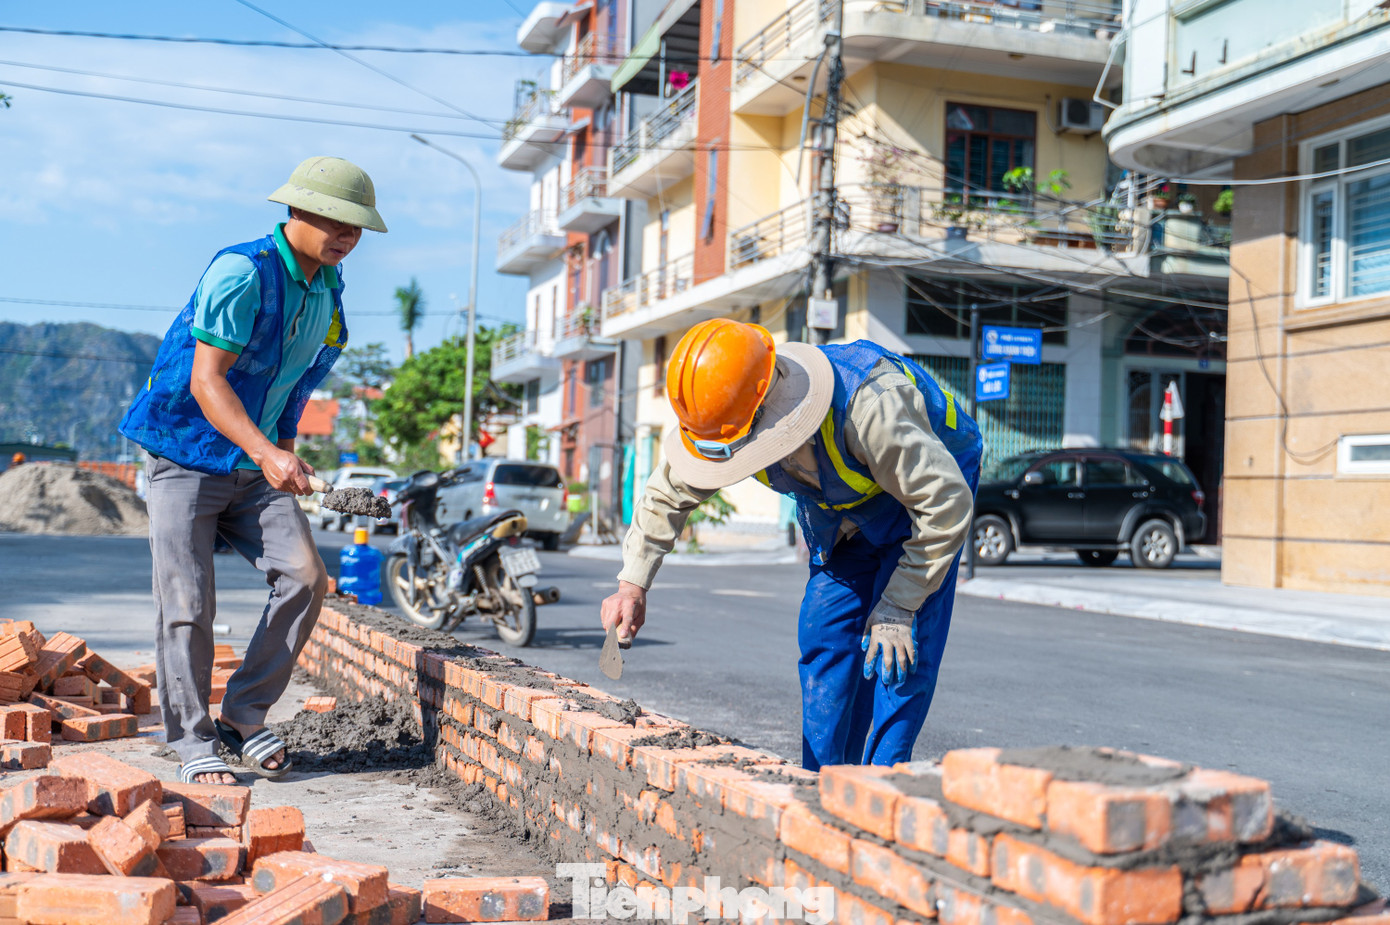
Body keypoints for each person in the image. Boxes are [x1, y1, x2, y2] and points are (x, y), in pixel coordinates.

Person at [600, 319, 982, 770]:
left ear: (767, 411)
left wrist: (899, 605)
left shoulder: (869, 407)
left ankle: (881, 788)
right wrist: (632, 585)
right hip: (843, 516)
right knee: (825, 637)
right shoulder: (722, 418)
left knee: (897, 655)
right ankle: (820, 784)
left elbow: (945, 504)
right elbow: (667, 494)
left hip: (927, 497)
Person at [119, 156, 387, 785]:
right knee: (186, 601)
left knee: (304, 577)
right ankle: (189, 738)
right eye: (336, 222)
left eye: (356, 228)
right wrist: (269, 454)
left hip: (254, 461)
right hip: (184, 453)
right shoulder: (242, 273)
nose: (346, 237)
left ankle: (242, 715)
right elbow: (207, 381)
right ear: (296, 211)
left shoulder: (328, 289)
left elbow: (294, 383)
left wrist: (284, 450)